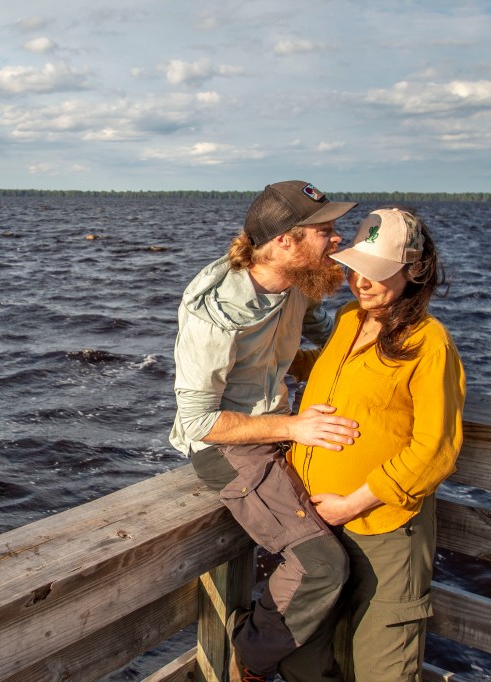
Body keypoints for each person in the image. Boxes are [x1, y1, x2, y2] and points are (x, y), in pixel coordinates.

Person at [169, 180, 361, 680]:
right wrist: (296, 426)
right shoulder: (215, 315)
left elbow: (319, 339)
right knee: (322, 566)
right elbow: (200, 422)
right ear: (285, 242)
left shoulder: (294, 284)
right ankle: (248, 661)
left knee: (347, 543)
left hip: (275, 430)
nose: (337, 240)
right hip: (226, 448)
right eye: (325, 231)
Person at [279, 208, 466, 682]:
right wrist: (262, 360)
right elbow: (323, 373)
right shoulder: (348, 318)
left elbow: (435, 449)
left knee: (382, 665)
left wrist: (352, 503)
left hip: (385, 531)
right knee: (303, 655)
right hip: (319, 521)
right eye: (358, 266)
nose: (362, 281)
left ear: (414, 271)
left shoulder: (430, 343)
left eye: (377, 271)